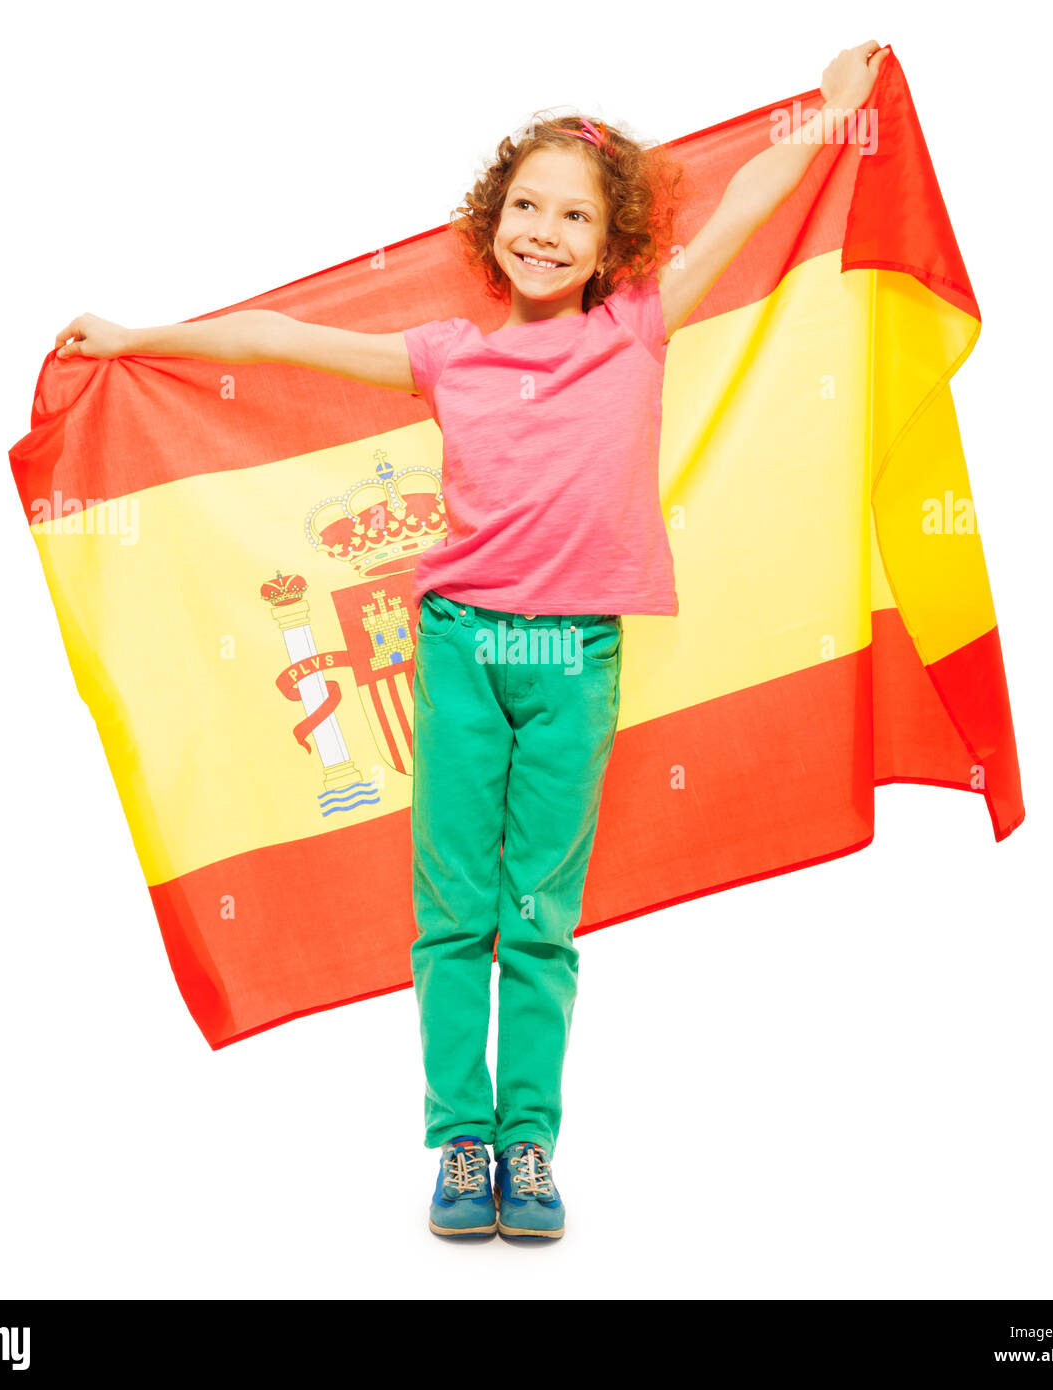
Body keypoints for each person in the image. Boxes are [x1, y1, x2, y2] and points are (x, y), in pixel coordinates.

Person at [54, 42, 887, 1243]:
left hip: (573, 662)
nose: (544, 232)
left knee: (539, 911)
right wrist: (140, 337)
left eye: (574, 216)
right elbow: (278, 342)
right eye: (526, 209)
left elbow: (750, 205)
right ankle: (459, 1143)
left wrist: (832, 113)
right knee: (453, 907)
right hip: (457, 648)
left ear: (613, 246)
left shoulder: (637, 333)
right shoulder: (449, 358)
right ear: (493, 225)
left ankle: (529, 1142)